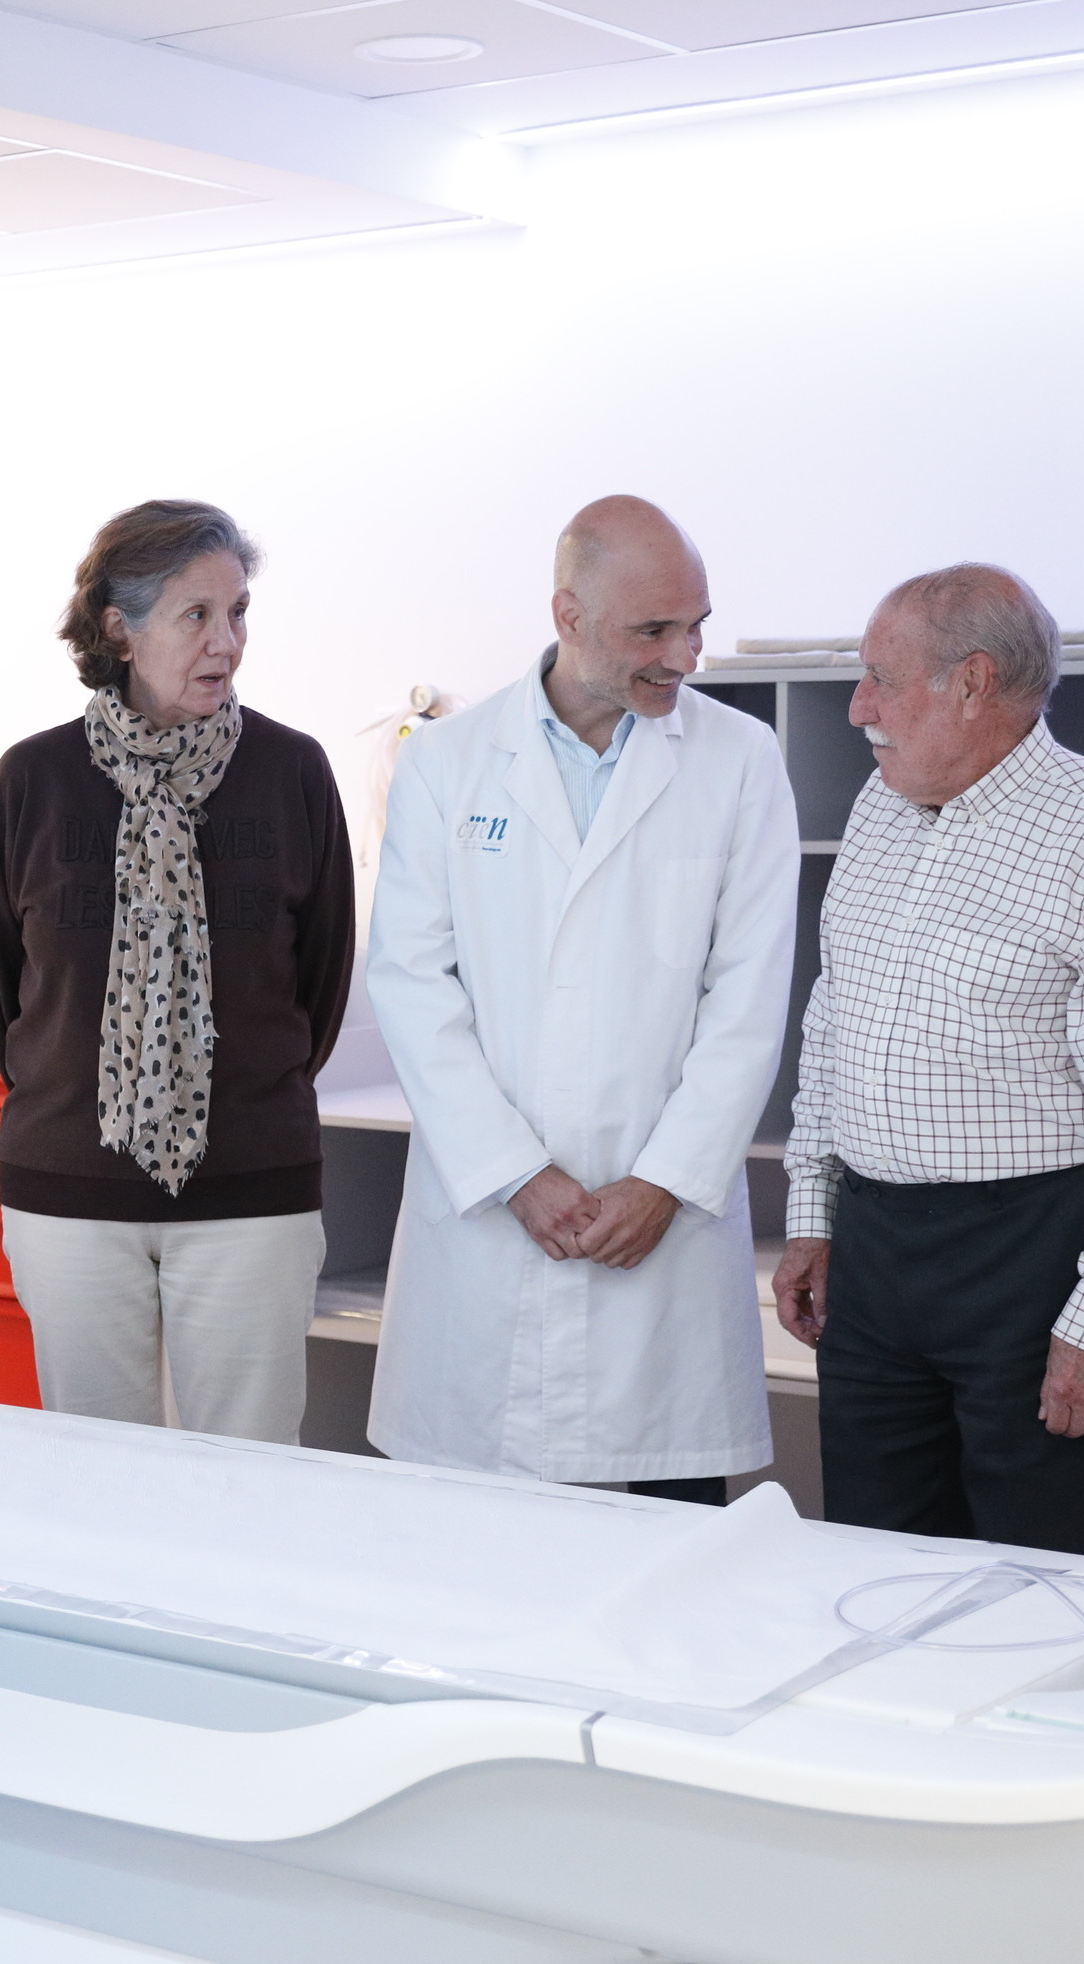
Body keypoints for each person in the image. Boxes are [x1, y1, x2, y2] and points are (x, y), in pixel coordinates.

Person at [365, 496, 799, 1500]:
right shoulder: (447, 762)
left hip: (662, 1249)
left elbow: (749, 999)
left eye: (696, 624)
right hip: (486, 1232)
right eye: (653, 630)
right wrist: (516, 1173)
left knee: (654, 1585)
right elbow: (411, 982)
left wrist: (663, 1183)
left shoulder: (740, 761)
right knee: (475, 1582)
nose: (684, 655)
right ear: (567, 613)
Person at [772, 564, 1084, 1559]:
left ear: (970, 683)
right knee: (871, 1560)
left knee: (1033, 1576)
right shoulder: (880, 806)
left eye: (880, 678)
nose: (857, 708)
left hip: (1029, 1255)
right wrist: (813, 1212)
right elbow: (833, 1025)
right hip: (876, 1248)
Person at [0, 500, 355, 1443]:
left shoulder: (294, 773)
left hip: (252, 1193)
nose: (227, 642)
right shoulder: (33, 781)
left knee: (251, 1475)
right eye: (196, 615)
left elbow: (322, 983)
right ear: (117, 628)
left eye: (239, 612)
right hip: (70, 1197)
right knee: (93, 1480)